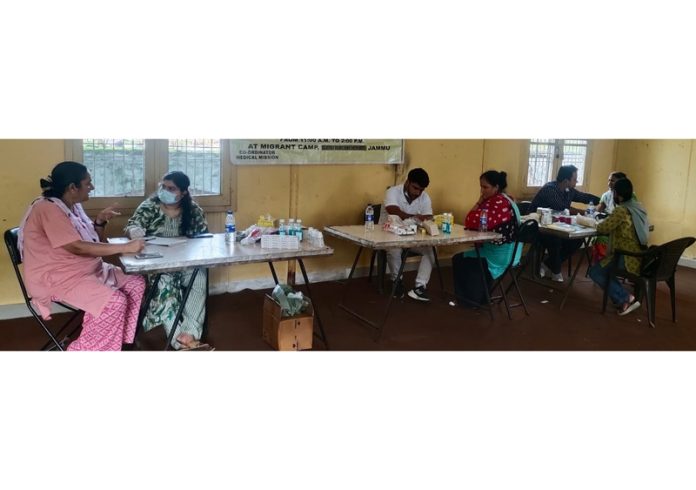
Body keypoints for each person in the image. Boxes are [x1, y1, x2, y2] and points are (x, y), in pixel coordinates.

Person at [18, 161, 146, 351]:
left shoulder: (71, 206)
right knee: (114, 302)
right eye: (88, 183)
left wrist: (100, 221)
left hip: (88, 270)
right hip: (58, 278)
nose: (92, 187)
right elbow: (76, 247)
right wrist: (125, 247)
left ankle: (117, 343)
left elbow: (93, 242)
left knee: (136, 282)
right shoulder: (48, 208)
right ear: (72, 187)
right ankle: (83, 350)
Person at [125, 171, 210, 350]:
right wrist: (134, 231)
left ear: (184, 192)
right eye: (163, 186)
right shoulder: (150, 206)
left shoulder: (193, 210)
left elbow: (204, 237)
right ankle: (179, 341)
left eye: (171, 188)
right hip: (158, 266)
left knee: (199, 277)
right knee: (164, 287)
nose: (165, 191)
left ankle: (190, 333)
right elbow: (133, 224)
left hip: (185, 263)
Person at [451, 170, 521, 306]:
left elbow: (470, 220)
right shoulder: (508, 200)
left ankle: (470, 300)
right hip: (514, 254)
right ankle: (482, 296)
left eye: (485, 187)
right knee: (469, 256)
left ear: (496, 187)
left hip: (499, 256)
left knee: (459, 259)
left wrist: (478, 202)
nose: (482, 191)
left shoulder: (497, 203)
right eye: (481, 187)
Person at [588, 178, 649, 315]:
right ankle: (622, 297)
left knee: (595, 272)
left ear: (618, 194)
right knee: (604, 270)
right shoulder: (638, 207)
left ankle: (624, 298)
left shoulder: (621, 210)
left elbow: (603, 228)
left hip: (626, 258)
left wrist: (593, 222)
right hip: (641, 255)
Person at [530, 164, 601, 282]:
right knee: (555, 240)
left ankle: (547, 265)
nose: (576, 181)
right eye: (574, 179)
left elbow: (584, 197)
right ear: (565, 180)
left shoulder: (569, 190)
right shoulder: (549, 189)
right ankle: (555, 271)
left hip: (556, 227)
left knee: (577, 240)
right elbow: (563, 208)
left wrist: (603, 200)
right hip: (538, 228)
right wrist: (587, 212)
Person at [378, 168, 435, 301]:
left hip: (411, 236)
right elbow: (393, 210)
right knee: (395, 248)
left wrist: (416, 218)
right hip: (388, 234)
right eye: (415, 188)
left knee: (430, 249)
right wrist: (416, 217)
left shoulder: (424, 197)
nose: (418, 192)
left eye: (421, 190)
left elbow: (428, 217)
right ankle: (397, 280)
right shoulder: (392, 191)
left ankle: (420, 287)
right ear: (408, 182)